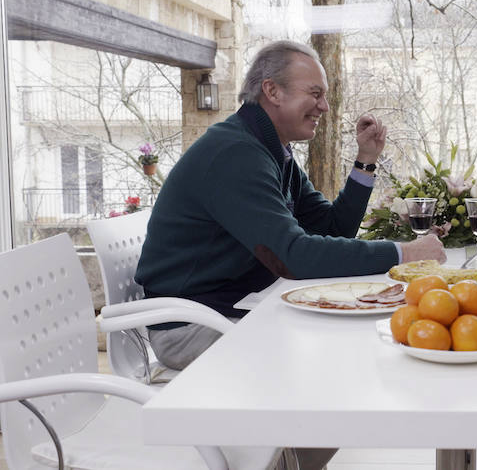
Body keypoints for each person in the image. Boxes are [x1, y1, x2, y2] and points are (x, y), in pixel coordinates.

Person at [135, 40, 445, 470]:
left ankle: (287, 461)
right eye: (314, 94)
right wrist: (403, 253)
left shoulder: (270, 151)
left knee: (344, 355)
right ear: (272, 91)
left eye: (325, 96)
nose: (325, 107)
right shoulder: (237, 154)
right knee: (336, 364)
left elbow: (331, 229)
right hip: (193, 326)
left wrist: (366, 161)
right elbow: (295, 257)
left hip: (241, 311)